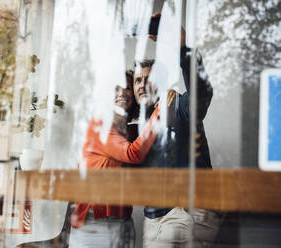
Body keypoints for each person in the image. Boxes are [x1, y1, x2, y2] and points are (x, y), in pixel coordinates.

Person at [132, 14, 219, 248]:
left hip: (191, 214)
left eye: (148, 79)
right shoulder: (133, 129)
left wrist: (184, 47)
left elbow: (201, 95)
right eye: (137, 80)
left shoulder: (175, 105)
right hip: (156, 223)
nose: (141, 84)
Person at [69, 71, 159, 248]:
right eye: (114, 89)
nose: (120, 93)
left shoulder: (131, 130)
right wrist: (160, 111)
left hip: (123, 221)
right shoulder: (99, 125)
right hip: (92, 224)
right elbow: (134, 153)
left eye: (126, 88)